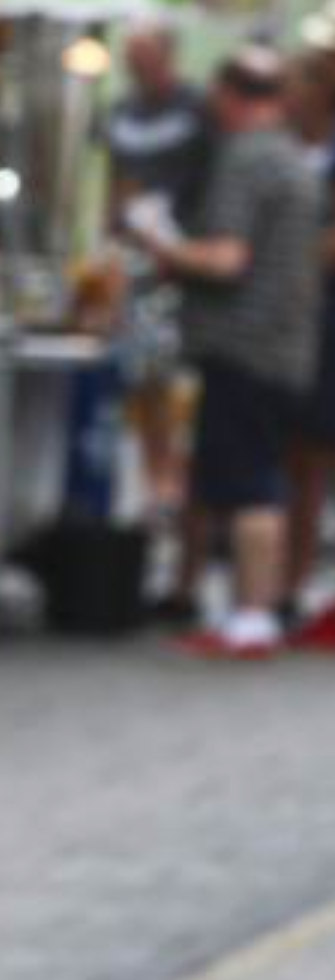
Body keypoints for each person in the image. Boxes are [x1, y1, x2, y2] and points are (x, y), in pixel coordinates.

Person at [133, 47, 326, 658]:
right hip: (286, 343)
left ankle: (251, 617)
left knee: (249, 485)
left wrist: (159, 240)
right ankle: (257, 611)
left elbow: (227, 257)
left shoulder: (246, 160)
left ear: (231, 97)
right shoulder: (294, 160)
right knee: (262, 475)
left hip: (242, 344)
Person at [106, 22, 216, 531]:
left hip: (186, 261)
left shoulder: (198, 110)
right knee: (145, 375)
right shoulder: (122, 113)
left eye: (143, 54)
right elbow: (117, 179)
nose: (136, 65)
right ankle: (157, 483)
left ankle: (177, 482)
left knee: (179, 379)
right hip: (138, 259)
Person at [286, 38, 335, 638]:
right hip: (300, 321)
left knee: (314, 457)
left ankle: (300, 586)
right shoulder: (297, 153)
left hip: (324, 320)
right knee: (297, 459)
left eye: (298, 82)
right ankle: (290, 586)